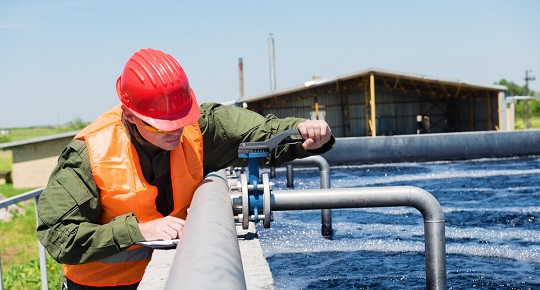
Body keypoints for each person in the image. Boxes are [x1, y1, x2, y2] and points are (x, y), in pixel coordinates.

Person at [36, 48, 335, 289]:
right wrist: (137, 230)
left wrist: (304, 133)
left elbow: (261, 133)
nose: (175, 131)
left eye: (180, 119)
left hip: (174, 276)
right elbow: (58, 234)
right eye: (162, 126)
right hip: (100, 288)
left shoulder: (200, 126)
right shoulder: (88, 153)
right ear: (130, 114)